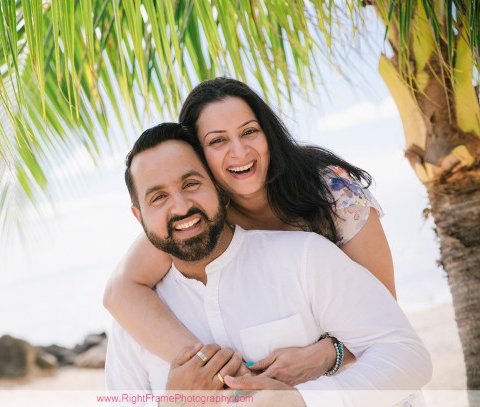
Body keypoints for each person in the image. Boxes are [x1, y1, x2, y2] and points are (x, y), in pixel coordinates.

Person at [105, 123, 431, 407]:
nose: (180, 207)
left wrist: (303, 400)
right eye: (158, 198)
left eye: (191, 184)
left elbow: (407, 356)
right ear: (138, 216)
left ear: (218, 186)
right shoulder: (134, 323)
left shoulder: (303, 259)